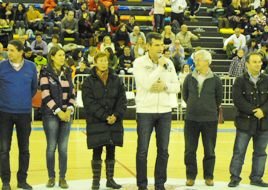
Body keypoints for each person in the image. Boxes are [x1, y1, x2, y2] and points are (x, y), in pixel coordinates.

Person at [133, 32, 180, 190]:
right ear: (148, 46)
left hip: (165, 112)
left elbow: (177, 86)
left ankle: (160, 184)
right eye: (157, 45)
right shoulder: (139, 63)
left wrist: (165, 87)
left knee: (164, 150)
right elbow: (146, 83)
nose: (161, 48)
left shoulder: (169, 63)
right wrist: (159, 68)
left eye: (162, 45)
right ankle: (142, 185)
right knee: (142, 150)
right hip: (145, 111)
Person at [82, 52, 127, 190]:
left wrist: (116, 115)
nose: (103, 63)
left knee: (111, 150)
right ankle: (96, 181)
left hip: (114, 121)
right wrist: (105, 116)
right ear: (95, 62)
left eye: (105, 60)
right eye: (100, 60)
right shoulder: (88, 81)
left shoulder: (116, 79)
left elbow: (122, 100)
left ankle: (110, 180)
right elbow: (88, 102)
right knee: (96, 151)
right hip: (96, 121)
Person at [0, 40, 38, 190]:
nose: (9, 53)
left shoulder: (31, 66)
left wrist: (22, 100)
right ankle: (6, 182)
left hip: (24, 113)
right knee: (3, 150)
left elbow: (34, 88)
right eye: (8, 50)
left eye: (12, 50)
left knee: (24, 149)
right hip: (4, 114)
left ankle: (22, 180)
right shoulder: (1, 66)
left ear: (21, 51)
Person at [182, 49, 223, 187]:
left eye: (198, 59)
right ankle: (190, 176)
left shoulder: (216, 80)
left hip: (210, 120)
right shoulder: (189, 78)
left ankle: (209, 176)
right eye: (195, 59)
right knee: (189, 150)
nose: (195, 61)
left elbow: (218, 99)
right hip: (191, 119)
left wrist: (207, 108)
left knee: (210, 150)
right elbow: (185, 96)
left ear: (207, 61)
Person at [228, 52, 268, 188]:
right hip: (244, 123)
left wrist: (263, 111)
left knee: (261, 153)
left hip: (264, 124)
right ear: (247, 64)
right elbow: (238, 100)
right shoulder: (240, 80)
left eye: (260, 62)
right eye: (255, 62)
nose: (258, 64)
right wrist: (254, 111)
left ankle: (256, 178)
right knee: (239, 152)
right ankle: (235, 178)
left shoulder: (267, 79)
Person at [39, 46, 75, 188]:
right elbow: (45, 95)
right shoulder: (45, 73)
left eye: (63, 55)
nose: (62, 57)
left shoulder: (67, 71)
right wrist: (58, 111)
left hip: (67, 114)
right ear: (52, 57)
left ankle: (62, 178)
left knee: (63, 148)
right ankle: (51, 177)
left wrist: (69, 109)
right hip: (50, 115)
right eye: (59, 55)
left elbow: (72, 93)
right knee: (51, 147)